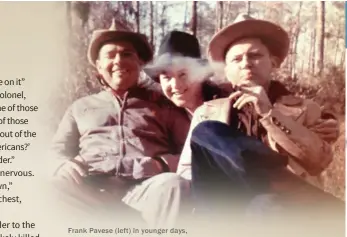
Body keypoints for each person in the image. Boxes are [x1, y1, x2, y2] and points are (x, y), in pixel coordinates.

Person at [176, 14, 342, 228]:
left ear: (273, 62)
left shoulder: (305, 108)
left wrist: (268, 114)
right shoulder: (207, 111)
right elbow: (186, 171)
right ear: (226, 70)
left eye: (255, 56)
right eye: (236, 59)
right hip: (225, 204)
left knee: (266, 205)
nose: (246, 64)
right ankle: (282, 183)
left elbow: (319, 160)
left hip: (283, 208)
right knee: (207, 131)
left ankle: (281, 188)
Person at [48, 19, 190, 223]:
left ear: (139, 62)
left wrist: (160, 164)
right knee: (47, 188)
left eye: (126, 54)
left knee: (173, 185)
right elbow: (56, 152)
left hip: (147, 190)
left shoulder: (163, 103)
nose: (118, 61)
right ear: (98, 65)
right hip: (91, 190)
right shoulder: (80, 107)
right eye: (110, 55)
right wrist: (62, 165)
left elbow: (189, 152)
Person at [123, 30, 230, 227]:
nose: (175, 85)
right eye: (166, 77)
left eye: (183, 74)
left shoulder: (224, 104)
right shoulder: (160, 111)